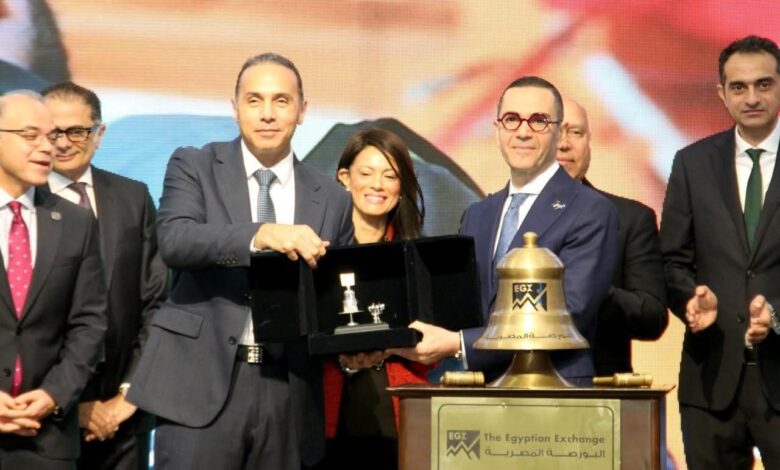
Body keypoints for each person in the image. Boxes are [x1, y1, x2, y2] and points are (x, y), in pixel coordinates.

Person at [126, 53, 353, 469]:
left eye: (281, 101)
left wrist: (359, 344)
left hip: (289, 393)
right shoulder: (195, 164)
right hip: (199, 385)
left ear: (303, 110)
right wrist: (260, 234)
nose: (267, 114)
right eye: (254, 100)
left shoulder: (333, 197)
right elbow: (176, 240)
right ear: (235, 108)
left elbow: (338, 294)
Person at [391, 76, 619, 386]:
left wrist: (458, 343)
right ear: (497, 129)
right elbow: (464, 307)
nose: (523, 132)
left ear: (558, 131)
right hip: (480, 393)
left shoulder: (590, 210)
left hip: (554, 392)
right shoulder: (478, 214)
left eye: (538, 121)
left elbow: (568, 316)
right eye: (511, 119)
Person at [660, 35, 780, 469]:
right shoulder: (692, 163)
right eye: (738, 87)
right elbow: (671, 260)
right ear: (722, 93)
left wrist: (777, 314)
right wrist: (689, 300)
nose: (752, 98)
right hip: (710, 380)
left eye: (763, 84)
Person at [40, 82, 168, 470]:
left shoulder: (133, 197)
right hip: (43, 419)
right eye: (53, 132)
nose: (64, 143)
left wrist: (129, 396)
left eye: (77, 131)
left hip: (125, 418)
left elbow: (157, 302)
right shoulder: (20, 205)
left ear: (99, 133)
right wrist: (67, 402)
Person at [0, 91, 107, 469]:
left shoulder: (76, 222)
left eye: (51, 136)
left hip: (47, 439)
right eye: (31, 135)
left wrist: (53, 395)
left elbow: (90, 323)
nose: (49, 147)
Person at [319, 128, 427, 469]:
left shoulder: (416, 256)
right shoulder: (316, 251)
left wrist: (392, 348)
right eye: (366, 173)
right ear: (344, 178)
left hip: (397, 415)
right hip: (324, 414)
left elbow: (433, 348)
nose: (377, 185)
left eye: (390, 176)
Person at [556, 96, 667, 376]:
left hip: (599, 390)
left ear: (589, 143)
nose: (565, 143)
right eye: (555, 131)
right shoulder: (501, 216)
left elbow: (652, 317)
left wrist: (591, 289)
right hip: (513, 390)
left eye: (576, 132)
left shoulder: (628, 218)